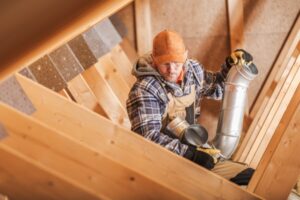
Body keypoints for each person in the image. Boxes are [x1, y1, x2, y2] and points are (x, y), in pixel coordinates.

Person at [126, 30, 255, 184]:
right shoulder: (145, 89)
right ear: (154, 59)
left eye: (177, 62)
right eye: (165, 64)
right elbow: (148, 138)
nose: (172, 69)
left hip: (192, 150)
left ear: (185, 55)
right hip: (160, 165)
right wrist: (190, 154)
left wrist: (229, 68)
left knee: (251, 178)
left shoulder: (192, 71)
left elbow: (217, 89)